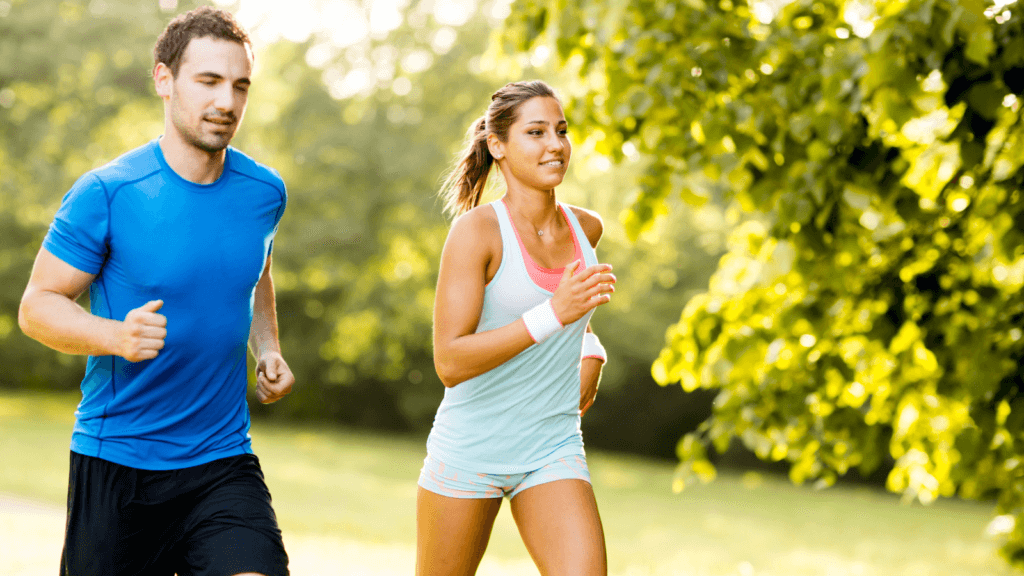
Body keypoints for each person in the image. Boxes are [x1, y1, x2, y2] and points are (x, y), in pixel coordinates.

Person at [17, 7, 292, 576]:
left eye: (240, 86)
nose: (227, 102)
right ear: (164, 81)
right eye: (209, 81)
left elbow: (257, 270)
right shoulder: (108, 192)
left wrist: (267, 347)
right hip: (118, 463)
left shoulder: (264, 192)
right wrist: (115, 336)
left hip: (221, 461)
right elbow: (37, 306)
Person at [417, 80, 616, 576]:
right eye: (536, 132)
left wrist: (591, 348)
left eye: (561, 130)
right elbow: (450, 361)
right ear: (498, 145)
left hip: (551, 445)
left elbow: (578, 321)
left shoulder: (586, 229)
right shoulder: (477, 232)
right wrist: (555, 313)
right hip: (470, 449)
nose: (555, 145)